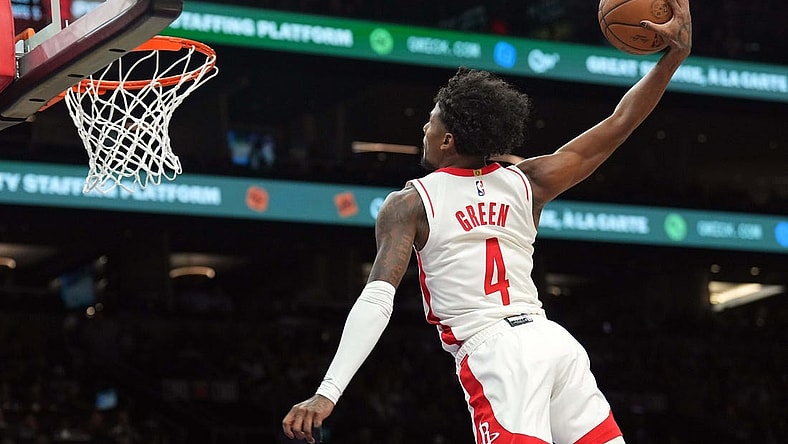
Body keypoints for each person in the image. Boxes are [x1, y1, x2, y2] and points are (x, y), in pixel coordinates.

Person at [283, 0, 692, 442]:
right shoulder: (528, 181)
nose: (424, 127)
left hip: (497, 353)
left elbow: (378, 301)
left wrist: (327, 392)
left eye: (431, 121)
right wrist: (674, 59)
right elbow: (619, 122)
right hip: (552, 342)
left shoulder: (410, 203)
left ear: (449, 140)